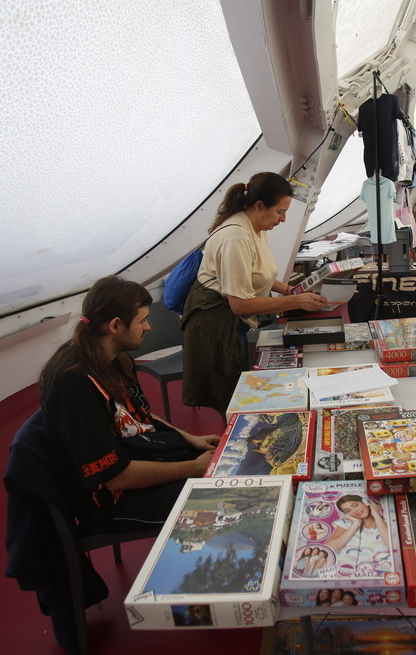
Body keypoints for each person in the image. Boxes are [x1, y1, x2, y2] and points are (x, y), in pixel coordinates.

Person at [39, 276, 219, 531]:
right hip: (113, 501)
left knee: (227, 464)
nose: (148, 327)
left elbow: (139, 416)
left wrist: (191, 438)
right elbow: (116, 477)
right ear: (115, 326)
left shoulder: (113, 357)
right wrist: (193, 467)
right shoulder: (74, 384)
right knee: (225, 501)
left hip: (138, 455)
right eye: (142, 320)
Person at [181, 172, 328, 415]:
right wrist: (294, 301)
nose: (282, 219)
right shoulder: (236, 237)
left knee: (238, 385)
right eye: (280, 211)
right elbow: (240, 304)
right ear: (259, 206)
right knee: (231, 393)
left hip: (228, 317)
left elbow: (259, 275)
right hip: (215, 321)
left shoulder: (255, 228)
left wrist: (292, 290)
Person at [325, 494, 393, 572]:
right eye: (348, 511)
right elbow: (329, 549)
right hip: (345, 571)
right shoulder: (346, 523)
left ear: (366, 503)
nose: (354, 511)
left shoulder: (387, 521)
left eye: (355, 505)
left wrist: (377, 515)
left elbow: (393, 546)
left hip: (378, 571)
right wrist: (355, 524)